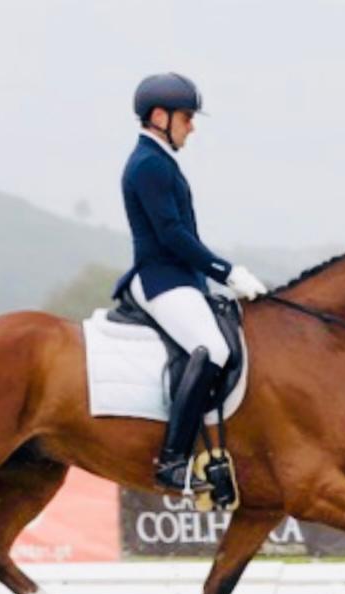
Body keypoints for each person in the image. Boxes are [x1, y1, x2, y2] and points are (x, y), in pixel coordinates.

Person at [112, 72, 268, 491]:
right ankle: (172, 460)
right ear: (159, 116)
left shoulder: (160, 161)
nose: (192, 126)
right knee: (213, 348)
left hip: (181, 277)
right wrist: (226, 271)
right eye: (186, 117)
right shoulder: (148, 164)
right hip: (161, 278)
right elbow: (172, 236)